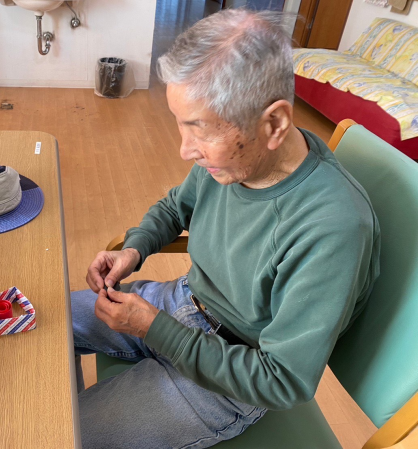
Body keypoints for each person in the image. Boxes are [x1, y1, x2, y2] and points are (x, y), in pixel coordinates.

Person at [71, 9, 381, 449]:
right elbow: (176, 207)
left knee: (61, 431)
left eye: (199, 131)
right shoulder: (231, 161)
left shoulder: (333, 227)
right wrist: (134, 249)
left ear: (274, 124)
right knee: (46, 319)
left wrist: (155, 329)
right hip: (183, 303)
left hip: (235, 372)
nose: (185, 150)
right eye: (181, 124)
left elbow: (283, 380)